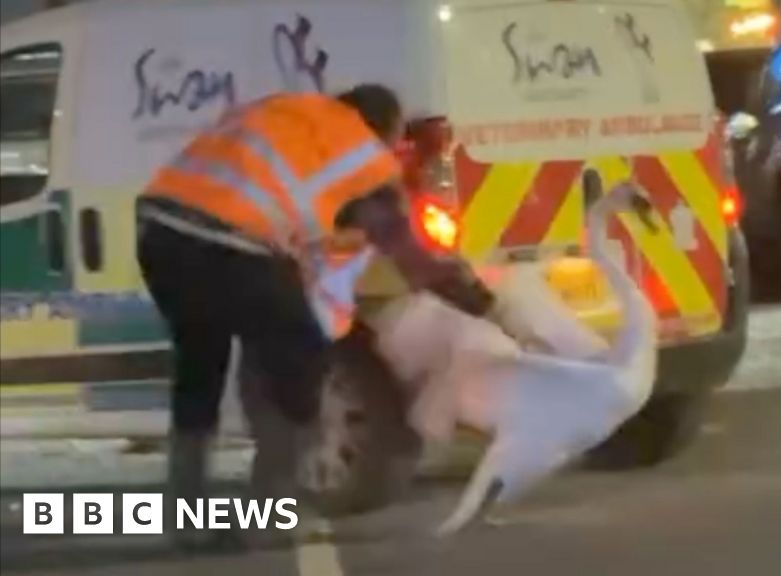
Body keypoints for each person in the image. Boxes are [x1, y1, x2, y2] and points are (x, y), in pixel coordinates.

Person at [135, 84, 507, 543]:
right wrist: (488, 307)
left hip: (159, 231)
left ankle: (184, 519)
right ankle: (270, 518)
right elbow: (415, 262)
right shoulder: (364, 160)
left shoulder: (287, 108)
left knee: (200, 364)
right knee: (302, 357)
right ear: (383, 131)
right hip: (231, 244)